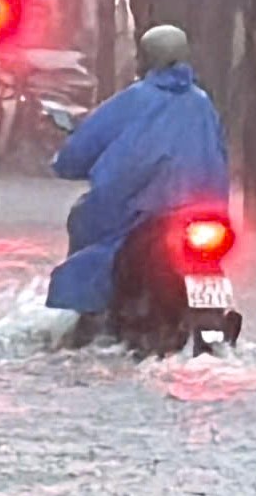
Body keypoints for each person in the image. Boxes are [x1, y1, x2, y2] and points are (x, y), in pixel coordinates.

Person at [47, 25, 229, 316]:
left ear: (145, 58)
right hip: (205, 215)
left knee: (87, 233)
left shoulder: (133, 100)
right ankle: (214, 324)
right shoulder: (203, 104)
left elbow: (83, 148)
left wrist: (66, 161)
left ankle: (91, 314)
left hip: (143, 216)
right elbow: (220, 154)